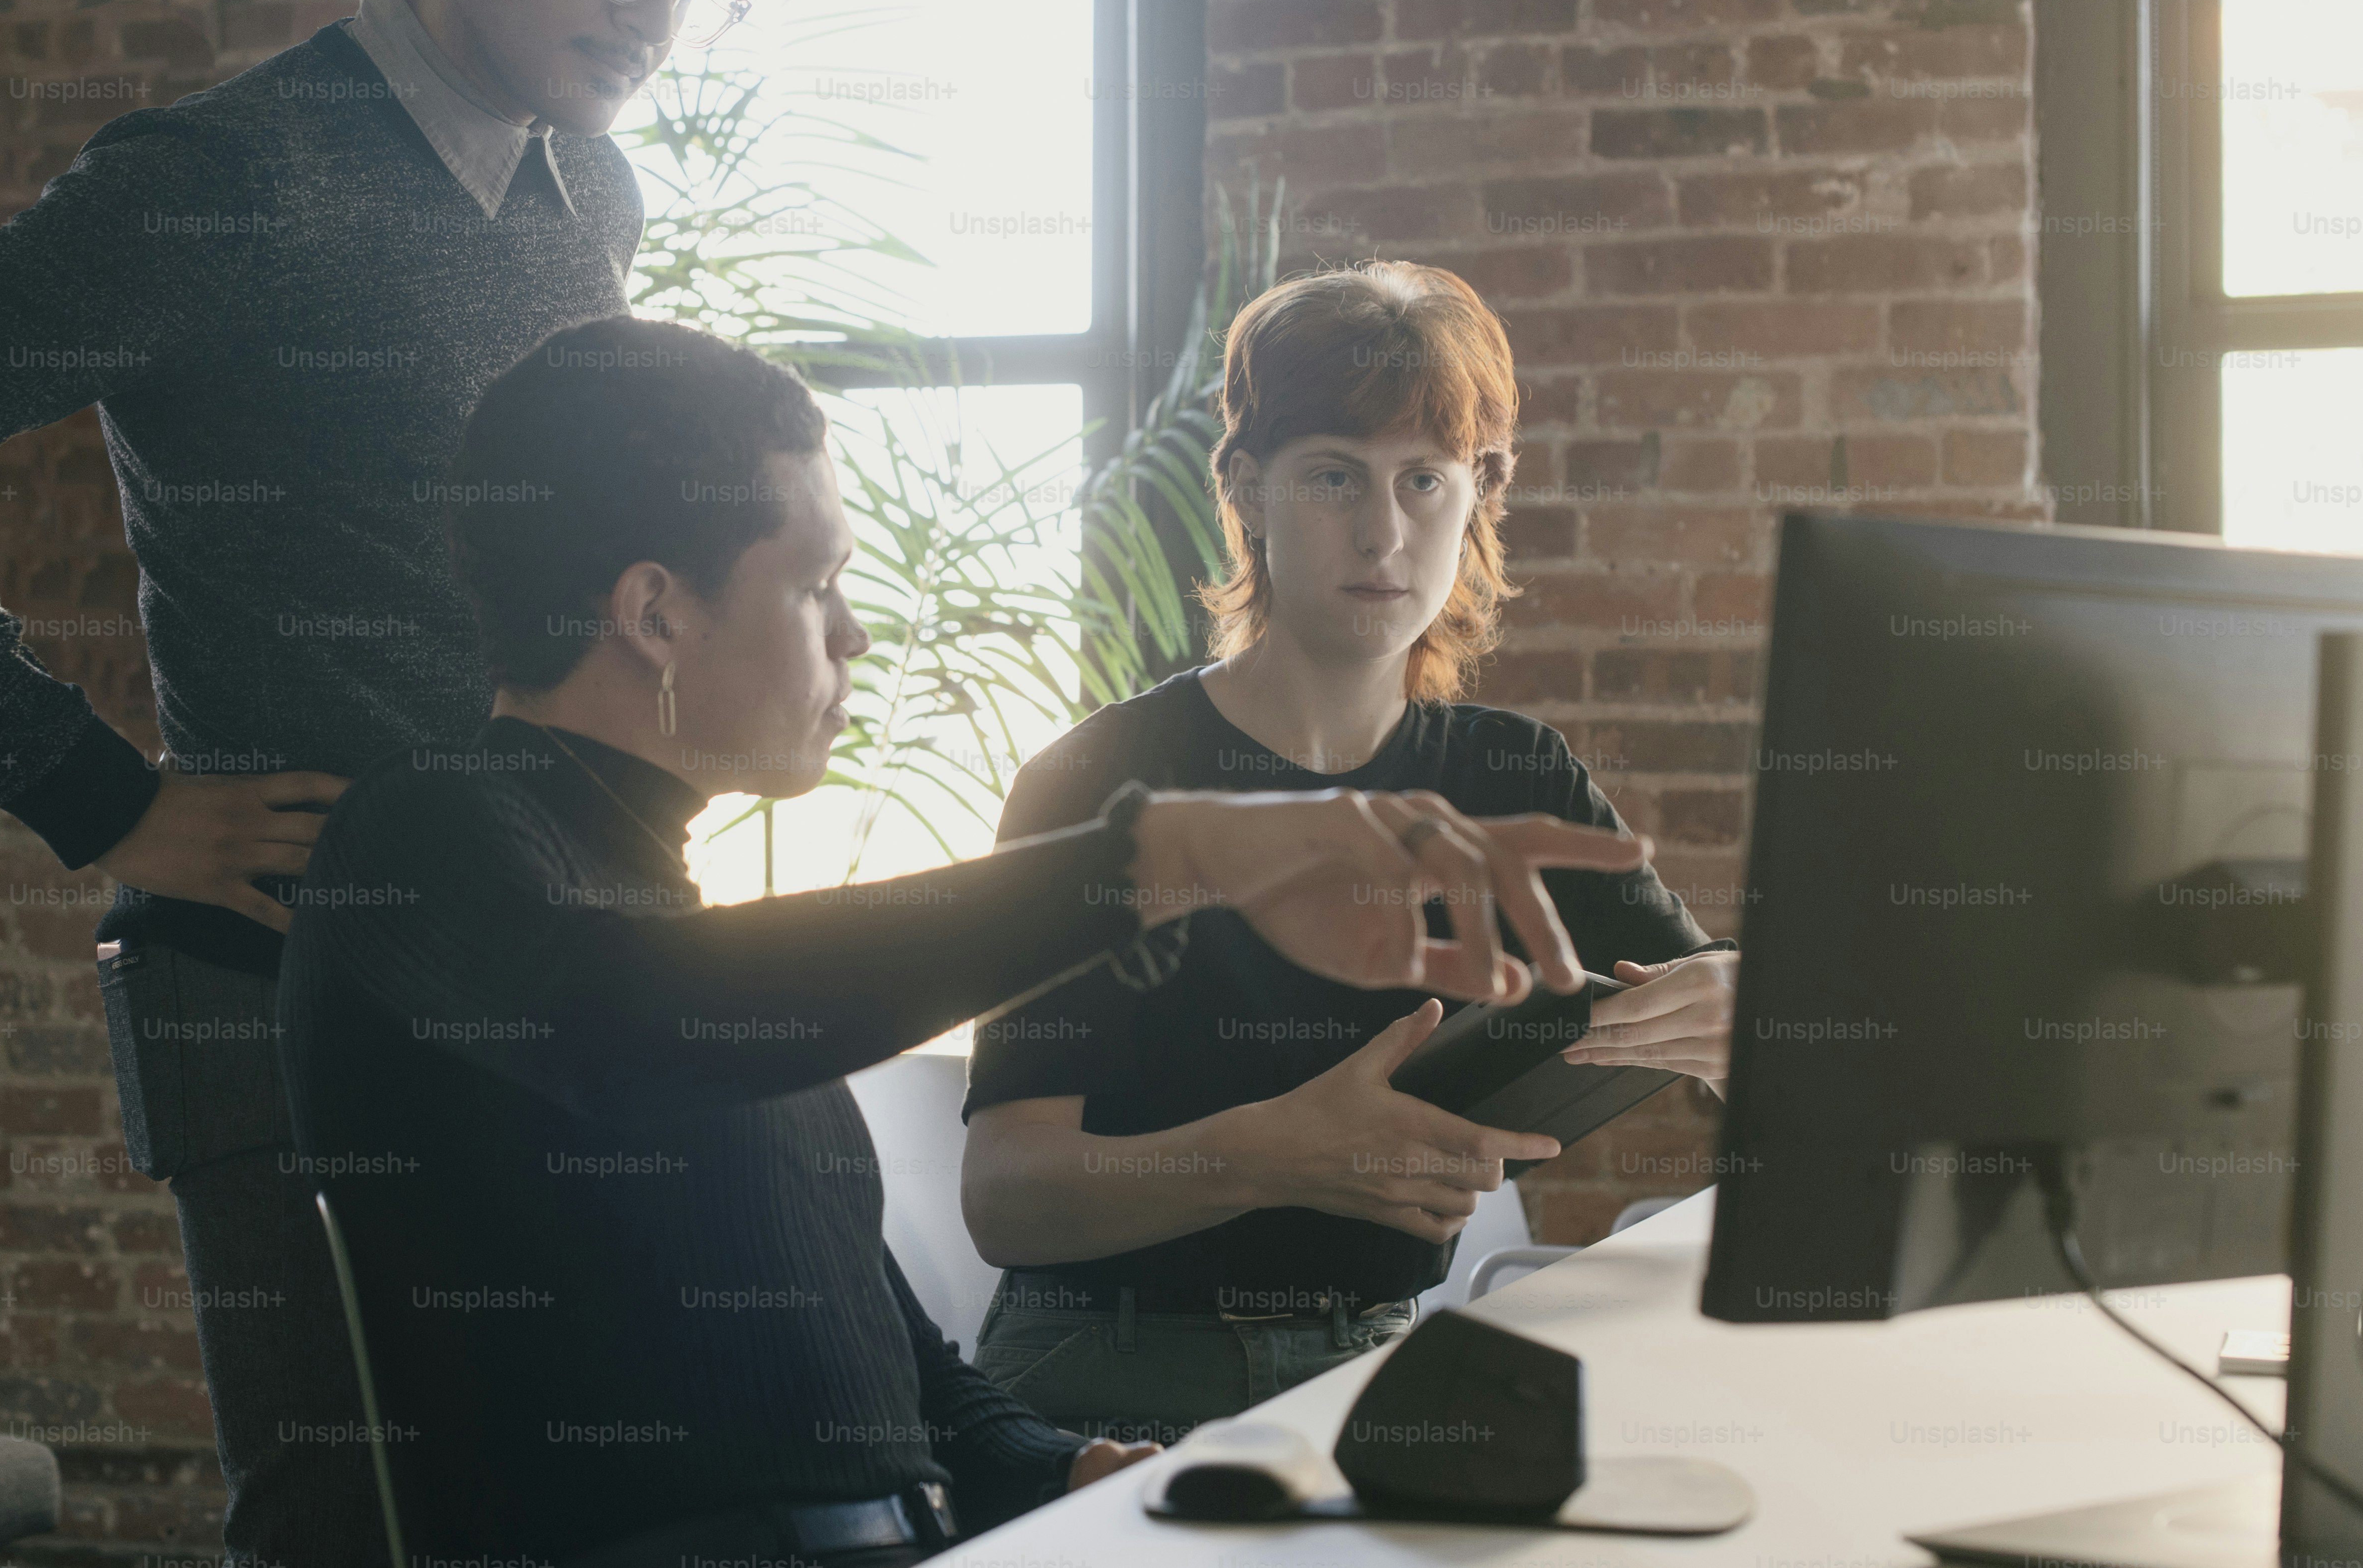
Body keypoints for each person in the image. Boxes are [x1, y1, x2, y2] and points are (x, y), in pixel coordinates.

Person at [0, 0, 743, 1559]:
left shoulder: (593, 190)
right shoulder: (223, 178)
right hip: (277, 982)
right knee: (350, 1525)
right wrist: (98, 796)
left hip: (544, 950)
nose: (654, 2)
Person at [274, 315, 1651, 1567]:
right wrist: (1164, 854)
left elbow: (889, 1361)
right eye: (815, 586)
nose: (856, 634)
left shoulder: (680, 930)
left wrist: (1064, 1465)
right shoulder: (424, 841)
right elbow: (633, 1029)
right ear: (654, 615)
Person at [956, 262, 1741, 1444]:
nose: (1384, 533)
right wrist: (1267, 1156)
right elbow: (1007, 1199)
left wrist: (1750, 1016)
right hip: (1108, 1373)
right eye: (1333, 476)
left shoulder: (1513, 774)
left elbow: (1724, 1021)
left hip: (1375, 1365)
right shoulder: (1095, 782)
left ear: (1480, 492)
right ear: (1247, 490)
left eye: (1424, 481)